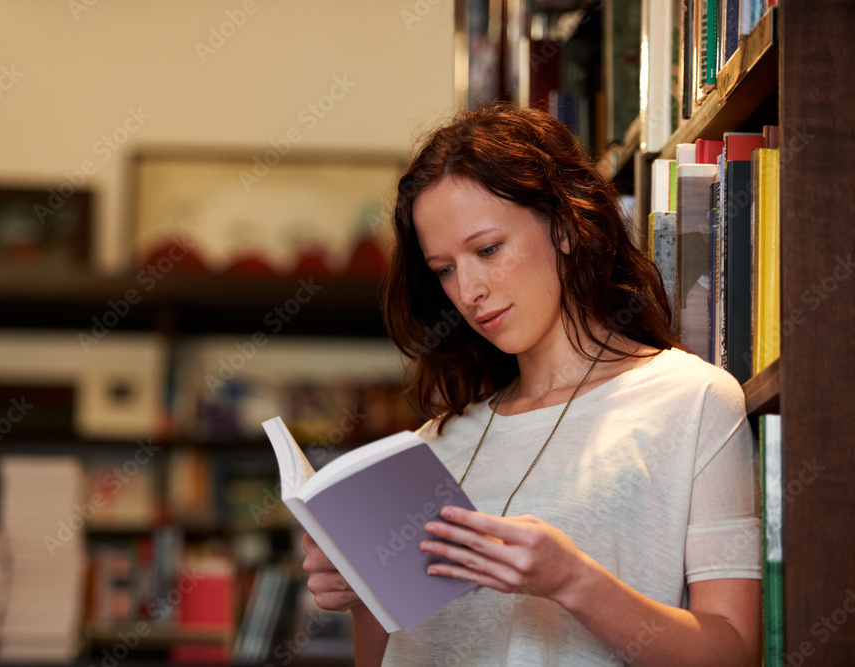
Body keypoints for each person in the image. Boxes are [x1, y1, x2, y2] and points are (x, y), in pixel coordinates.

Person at [302, 102, 760, 666]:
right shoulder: (431, 448)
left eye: (487, 250)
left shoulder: (692, 401)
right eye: (444, 269)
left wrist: (573, 581)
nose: (467, 290)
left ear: (566, 226)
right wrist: (361, 598)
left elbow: (736, 652)